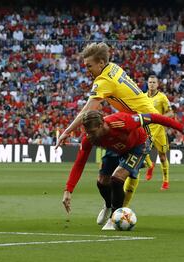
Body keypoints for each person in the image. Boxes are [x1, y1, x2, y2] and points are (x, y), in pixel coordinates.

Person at [56, 42, 160, 225]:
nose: (87, 69)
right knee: (104, 178)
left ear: (101, 62)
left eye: (89, 65)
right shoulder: (113, 68)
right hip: (125, 124)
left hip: (144, 126)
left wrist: (66, 132)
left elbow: (88, 110)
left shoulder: (103, 81)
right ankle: (110, 205)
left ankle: (117, 217)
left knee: (121, 176)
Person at [62, 110, 184, 230]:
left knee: (117, 179)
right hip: (115, 150)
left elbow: (154, 117)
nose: (89, 135)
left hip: (138, 146)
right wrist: (68, 190)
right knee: (101, 182)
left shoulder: (122, 121)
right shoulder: (89, 138)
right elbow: (79, 163)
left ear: (101, 125)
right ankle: (108, 205)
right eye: (87, 132)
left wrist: (181, 128)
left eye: (92, 132)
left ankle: (114, 218)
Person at [144, 75, 173, 190]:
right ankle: (150, 165)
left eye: (154, 82)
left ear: (157, 84)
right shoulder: (142, 97)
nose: (151, 84)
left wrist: (159, 118)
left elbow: (171, 113)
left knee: (162, 156)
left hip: (159, 130)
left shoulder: (162, 97)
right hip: (146, 129)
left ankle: (166, 181)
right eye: (150, 82)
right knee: (142, 151)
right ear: (147, 83)